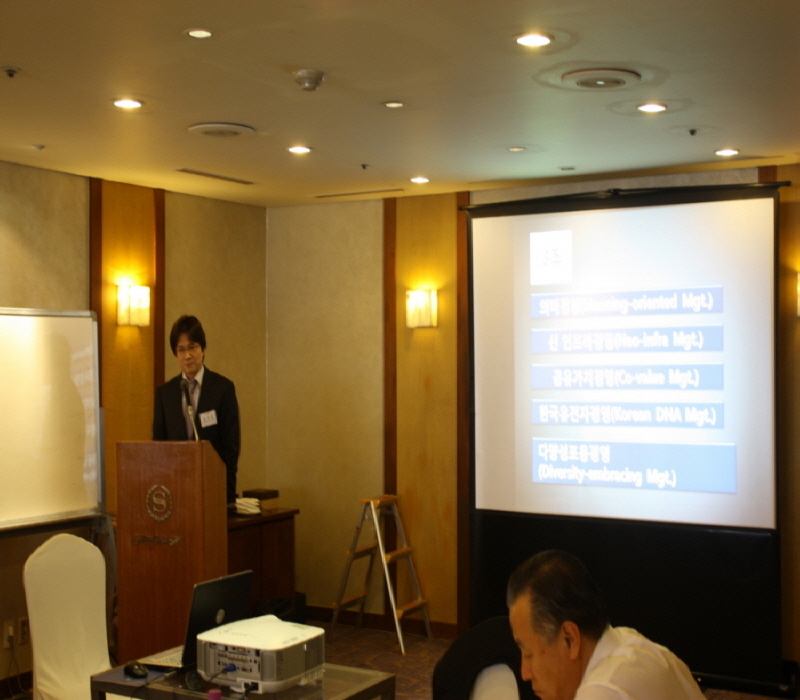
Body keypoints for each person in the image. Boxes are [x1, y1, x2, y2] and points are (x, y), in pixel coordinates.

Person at [507, 550, 705, 700]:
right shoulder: (634, 645)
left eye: (529, 654)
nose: (525, 673)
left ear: (570, 638)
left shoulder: (604, 691)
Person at [153, 315, 240, 503]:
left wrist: (228, 496)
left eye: (192, 347)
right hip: (176, 491)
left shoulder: (222, 389)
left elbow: (231, 447)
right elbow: (159, 448)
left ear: (203, 349)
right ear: (176, 354)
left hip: (213, 489)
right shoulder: (165, 394)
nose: (187, 356)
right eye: (181, 350)